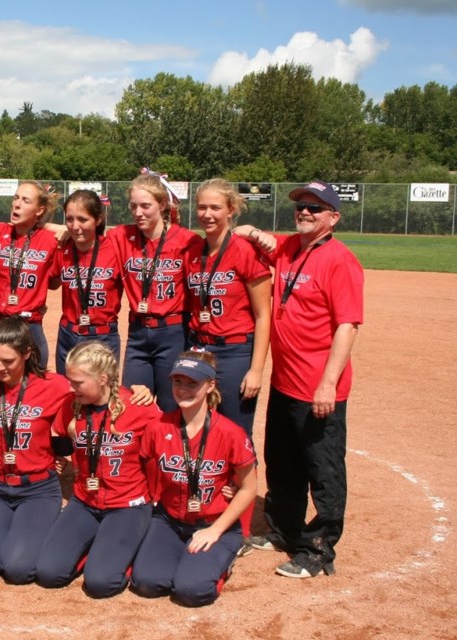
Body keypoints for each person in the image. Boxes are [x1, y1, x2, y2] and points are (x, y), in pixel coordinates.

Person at [238, 180, 363, 579]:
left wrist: (328, 383)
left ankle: (320, 547)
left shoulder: (340, 260)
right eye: (301, 206)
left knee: (322, 469)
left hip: (318, 388)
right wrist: (249, 230)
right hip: (285, 383)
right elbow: (270, 244)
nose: (306, 212)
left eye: (315, 207)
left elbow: (347, 325)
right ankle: (283, 530)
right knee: (284, 462)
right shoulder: (292, 247)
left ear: (334, 217)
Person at [131, 350, 257, 606]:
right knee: (147, 583)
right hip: (169, 520)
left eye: (192, 383)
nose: (183, 390)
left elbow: (248, 488)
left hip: (213, 522)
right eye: (178, 382)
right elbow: (141, 467)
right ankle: (183, 555)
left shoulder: (231, 433)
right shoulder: (158, 426)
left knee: (191, 591)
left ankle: (224, 557)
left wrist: (216, 530)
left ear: (211, 385)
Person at [35, 341, 160, 598]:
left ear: (103, 379)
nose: (70, 387)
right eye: (70, 380)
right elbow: (58, 434)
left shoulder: (139, 406)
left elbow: (168, 449)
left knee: (101, 584)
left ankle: (122, 552)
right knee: (48, 574)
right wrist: (60, 459)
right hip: (85, 501)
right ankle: (97, 548)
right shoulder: (72, 404)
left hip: (127, 505)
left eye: (78, 382)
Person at [186, 179, 271, 547]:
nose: (207, 214)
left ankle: (240, 528)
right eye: (202, 207)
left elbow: (264, 315)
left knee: (236, 436)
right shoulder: (193, 250)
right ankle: (202, 511)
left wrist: (256, 369)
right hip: (199, 349)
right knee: (199, 429)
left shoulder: (245, 250)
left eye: (215, 208)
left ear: (231, 210)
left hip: (235, 350)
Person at [0, 316, 72, 584]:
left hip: (36, 490)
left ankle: (51, 527)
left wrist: (138, 392)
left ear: (27, 353)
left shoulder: (53, 384)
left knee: (18, 570)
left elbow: (97, 392)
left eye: (8, 361)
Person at [110, 171, 203, 410]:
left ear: (162, 204)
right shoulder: (123, 236)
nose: (138, 212)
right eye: (133, 206)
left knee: (173, 404)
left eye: (145, 206)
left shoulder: (187, 241)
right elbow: (84, 230)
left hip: (172, 332)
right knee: (132, 402)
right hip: (138, 333)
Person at [0, 180, 62, 368]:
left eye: (25, 200)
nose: (17, 204)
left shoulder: (49, 240)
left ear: (39, 210)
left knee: (32, 391)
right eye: (16, 198)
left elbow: (54, 282)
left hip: (27, 327)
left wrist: (44, 226)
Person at [54, 189, 124, 373]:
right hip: (68, 334)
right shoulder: (63, 250)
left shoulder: (115, 249)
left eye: (83, 219)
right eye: (69, 219)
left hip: (102, 336)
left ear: (98, 220)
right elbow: (52, 282)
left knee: (102, 396)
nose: (75, 226)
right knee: (67, 394)